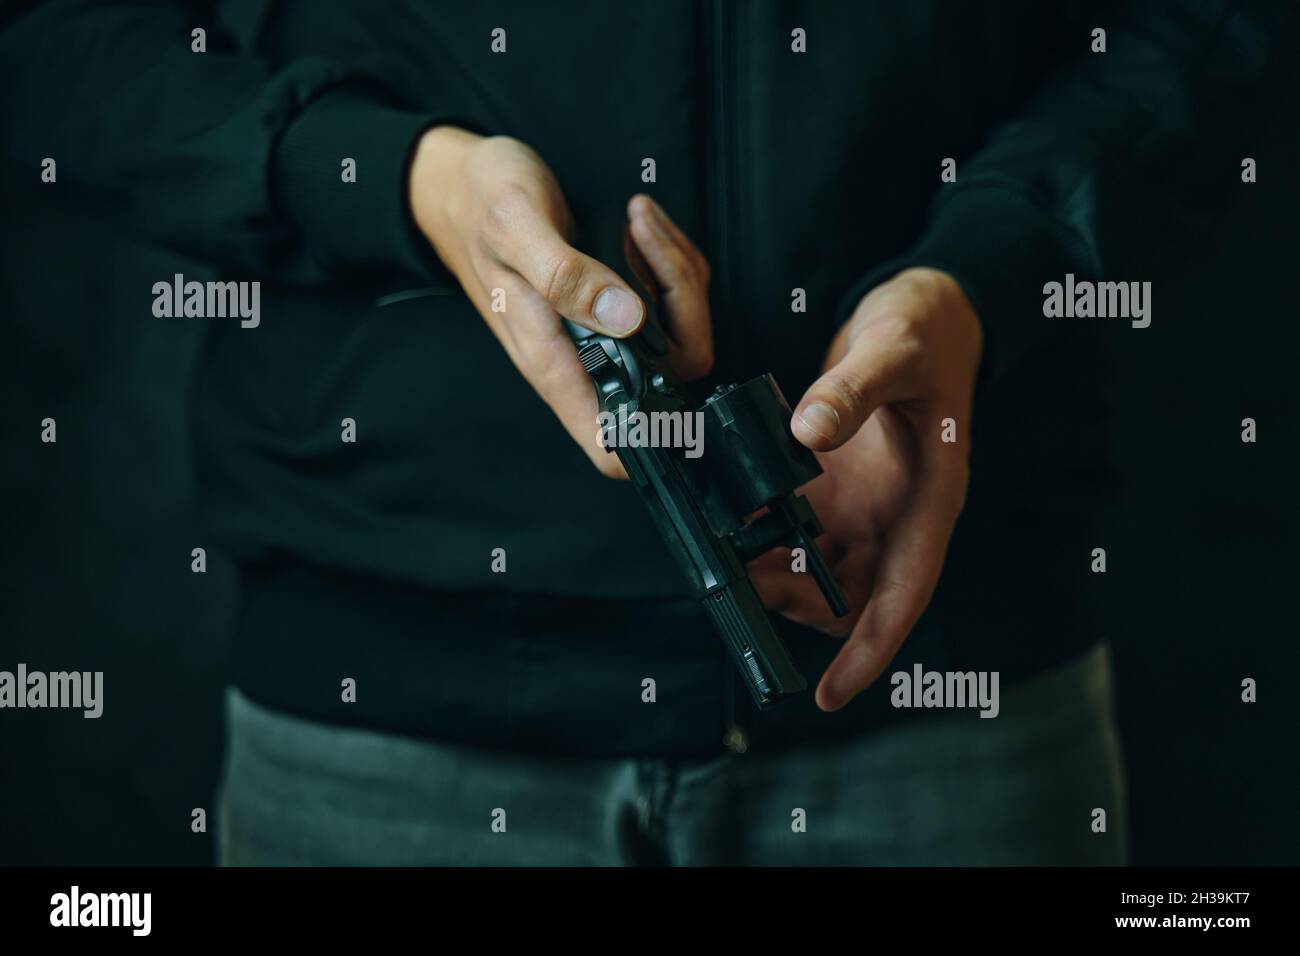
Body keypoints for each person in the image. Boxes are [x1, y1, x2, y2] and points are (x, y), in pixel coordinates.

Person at [2, 0, 1289, 865]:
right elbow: (54, 38)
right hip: (390, 717)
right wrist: (398, 180)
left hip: (952, 689)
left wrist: (988, 271)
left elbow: (1208, 26)